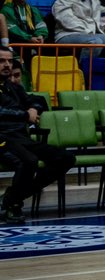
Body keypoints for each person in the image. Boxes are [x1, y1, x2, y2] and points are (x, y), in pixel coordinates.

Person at [0, 47, 73, 222]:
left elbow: (38, 100)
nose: (7, 65)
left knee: (65, 158)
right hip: (2, 138)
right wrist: (26, 115)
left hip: (20, 137)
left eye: (9, 61)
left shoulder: (13, 87)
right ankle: (14, 205)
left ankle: (13, 197)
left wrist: (32, 108)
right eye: (2, 61)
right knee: (29, 161)